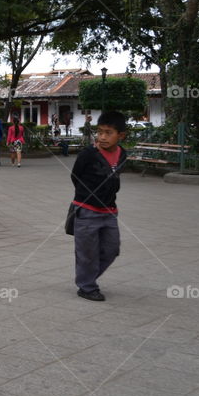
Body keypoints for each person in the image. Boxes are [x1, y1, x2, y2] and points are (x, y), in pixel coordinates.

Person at [70, 111, 128, 301]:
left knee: (112, 249)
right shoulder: (88, 154)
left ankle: (87, 276)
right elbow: (75, 176)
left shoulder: (122, 154)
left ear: (121, 135)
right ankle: (86, 286)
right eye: (100, 132)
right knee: (86, 252)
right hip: (86, 211)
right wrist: (87, 196)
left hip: (110, 211)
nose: (102, 137)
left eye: (108, 133)